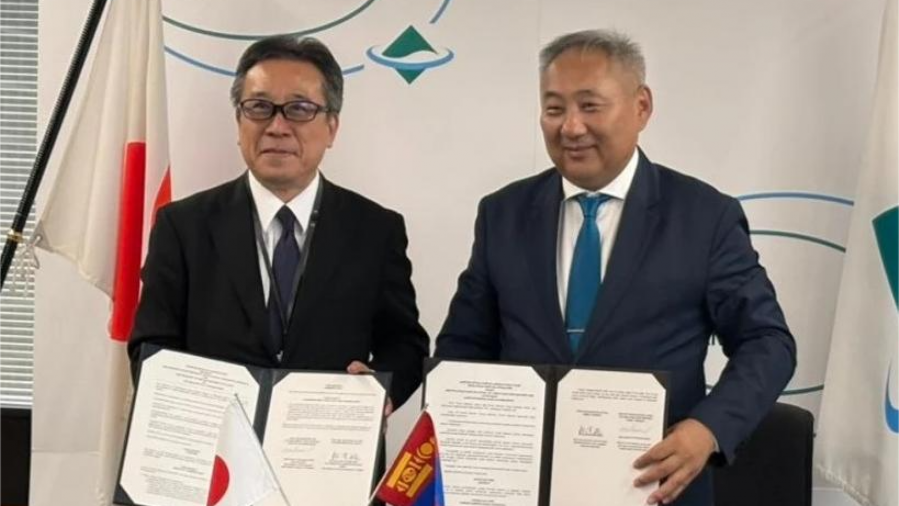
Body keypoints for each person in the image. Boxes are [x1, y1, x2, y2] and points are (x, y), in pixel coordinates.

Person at [435, 29, 796, 505]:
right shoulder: (502, 214)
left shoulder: (704, 216)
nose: (571, 127)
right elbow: (464, 347)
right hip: (520, 488)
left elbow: (767, 342)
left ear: (641, 106)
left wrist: (707, 429)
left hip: (652, 489)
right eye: (554, 108)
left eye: (590, 106)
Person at [128, 35, 429, 412]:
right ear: (239, 121)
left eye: (299, 109)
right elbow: (151, 346)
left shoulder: (375, 230)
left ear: (332, 127)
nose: (277, 126)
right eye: (259, 107)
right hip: (216, 441)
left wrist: (379, 389)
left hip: (327, 437)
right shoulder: (183, 226)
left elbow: (405, 344)